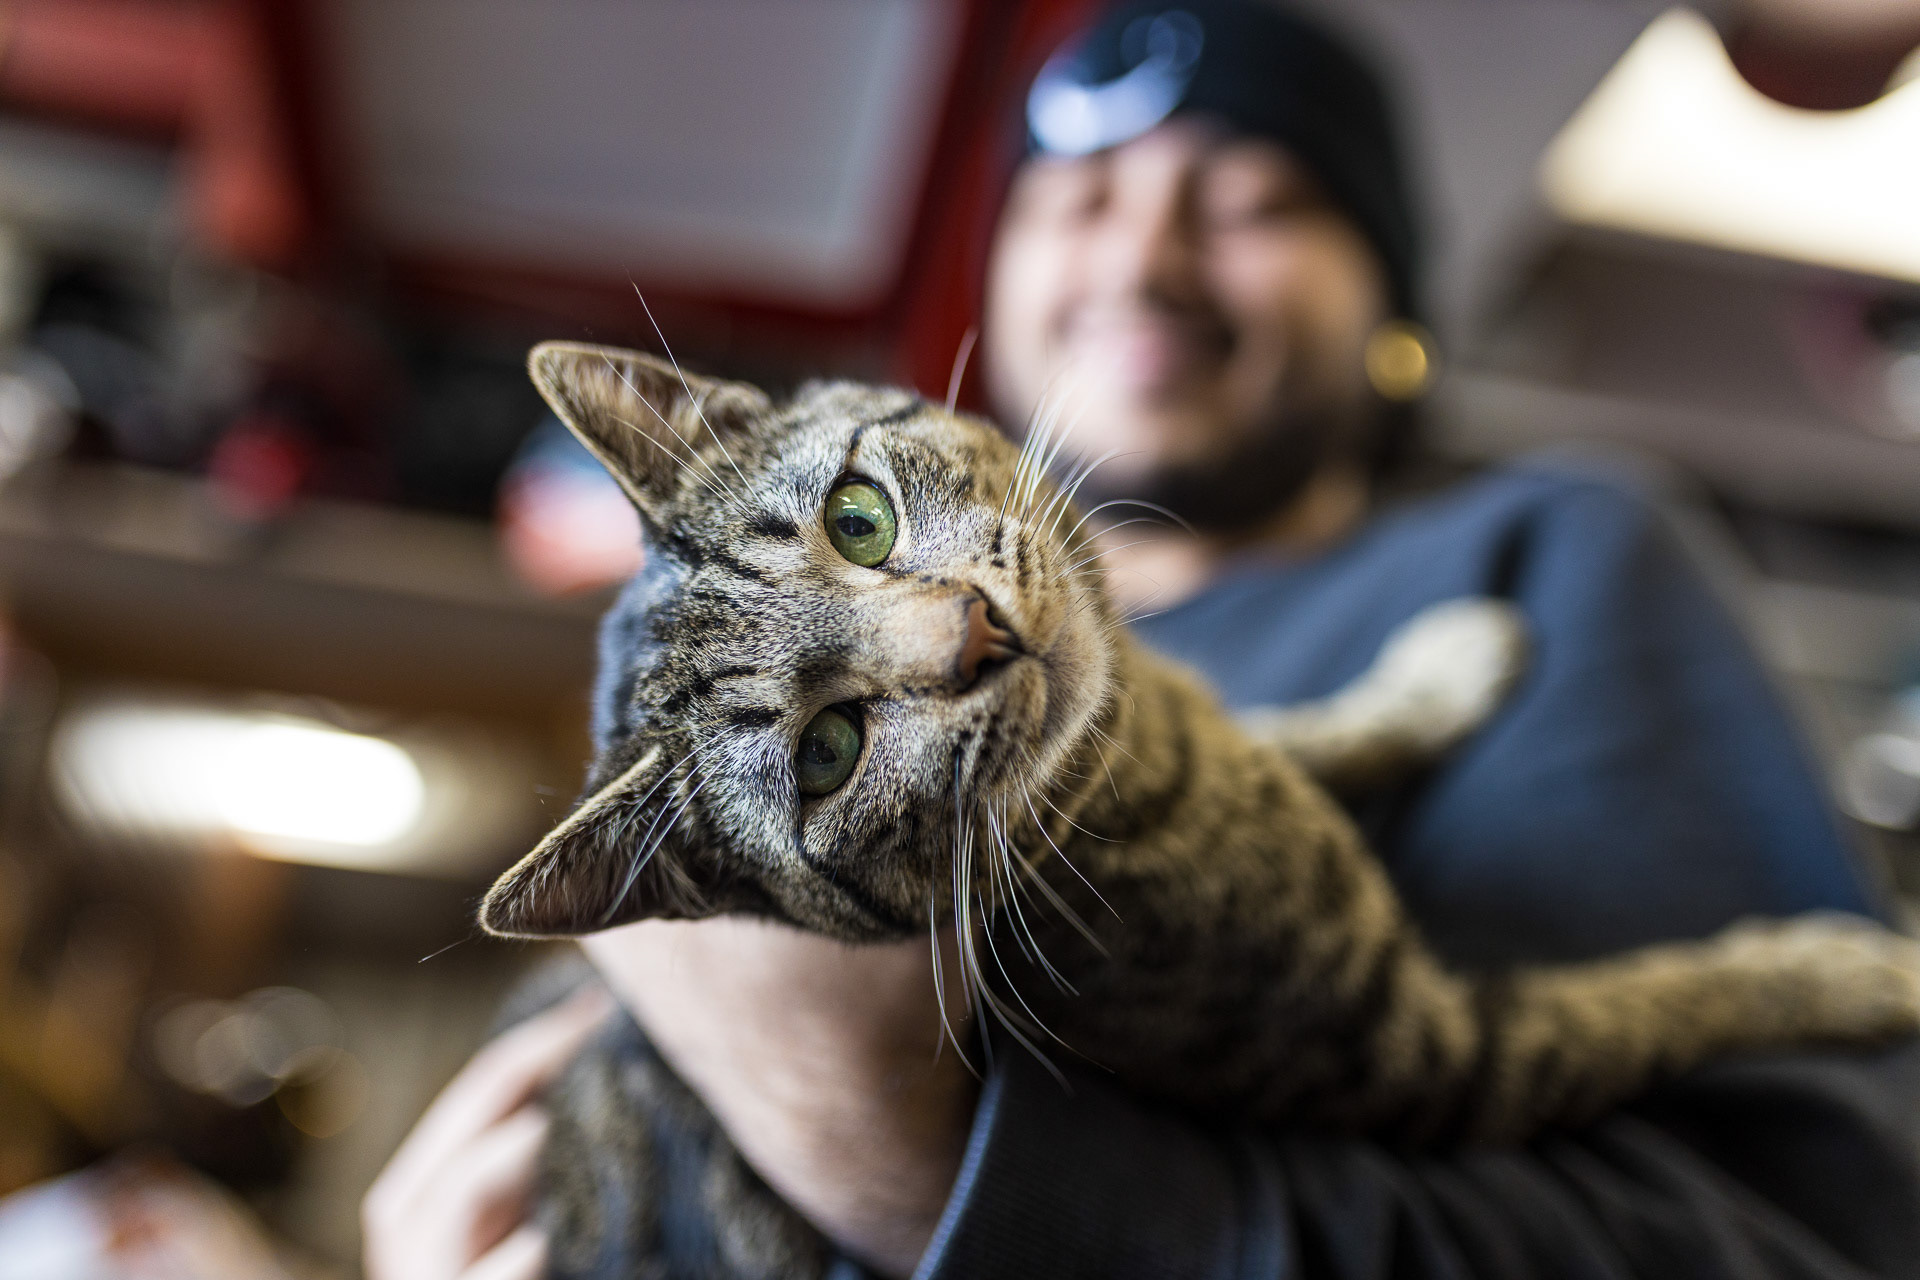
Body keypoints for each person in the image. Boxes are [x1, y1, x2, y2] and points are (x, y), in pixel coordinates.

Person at [363, 3, 1920, 1277]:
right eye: (1082, 198)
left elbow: (1815, 1237)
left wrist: (907, 1159)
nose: (1144, 257)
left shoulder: (1546, 550)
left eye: (1253, 202)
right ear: (998, 280)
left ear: (1396, 304)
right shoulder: (804, 780)